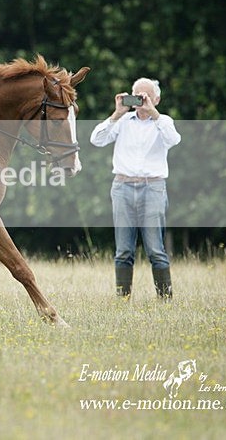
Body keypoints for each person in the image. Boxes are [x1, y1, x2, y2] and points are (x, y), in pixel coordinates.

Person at [89, 78, 181, 299]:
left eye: (145, 96)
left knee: (155, 250)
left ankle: (165, 299)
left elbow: (173, 139)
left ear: (156, 99)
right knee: (123, 251)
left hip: (153, 188)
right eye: (136, 95)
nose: (140, 100)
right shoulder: (122, 121)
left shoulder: (164, 121)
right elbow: (96, 140)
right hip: (123, 186)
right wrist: (116, 114)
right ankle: (123, 299)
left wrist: (154, 114)